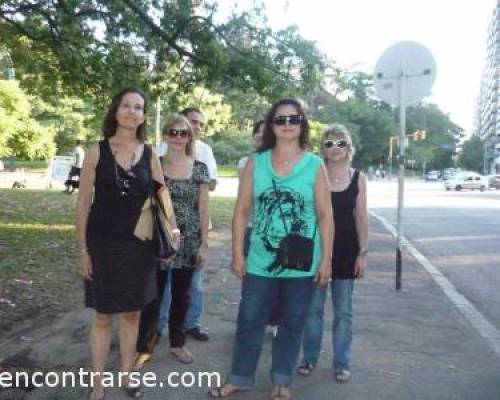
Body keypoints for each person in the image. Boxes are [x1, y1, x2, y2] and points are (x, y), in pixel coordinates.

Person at [210, 98, 333, 399]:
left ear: (302, 124)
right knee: (250, 319)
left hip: (302, 259)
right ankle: (240, 376)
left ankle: (281, 379)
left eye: (294, 119)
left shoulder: (315, 165)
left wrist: (326, 260)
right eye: (281, 119)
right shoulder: (256, 162)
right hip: (260, 260)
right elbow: (241, 211)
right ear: (271, 125)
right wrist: (237, 253)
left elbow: (325, 215)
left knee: (292, 322)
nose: (287, 124)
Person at [76, 88, 176, 400]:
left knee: (132, 314)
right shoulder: (97, 151)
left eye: (138, 107)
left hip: (139, 246)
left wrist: (172, 231)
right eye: (126, 106)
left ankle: (128, 375)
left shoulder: (149, 155)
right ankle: (97, 384)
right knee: (103, 315)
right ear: (116, 111)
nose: (132, 111)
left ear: (144, 116)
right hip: (102, 243)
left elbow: (162, 194)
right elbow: (82, 205)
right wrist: (82, 250)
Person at [297, 123, 368, 383]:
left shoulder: (358, 178)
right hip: (316, 251)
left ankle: (342, 363)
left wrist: (363, 253)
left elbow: (361, 217)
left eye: (340, 143)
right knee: (312, 310)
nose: (334, 148)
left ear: (349, 147)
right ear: (322, 149)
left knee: (344, 312)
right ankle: (310, 357)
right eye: (329, 143)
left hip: (347, 252)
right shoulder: (314, 173)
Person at [156, 107, 217, 342]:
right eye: (174, 132)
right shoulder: (156, 162)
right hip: (161, 236)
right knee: (157, 292)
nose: (179, 136)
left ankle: (180, 336)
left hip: (190, 237)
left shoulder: (202, 160)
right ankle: (151, 336)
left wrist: (204, 243)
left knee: (186, 292)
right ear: (166, 134)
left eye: (184, 133)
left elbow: (204, 204)